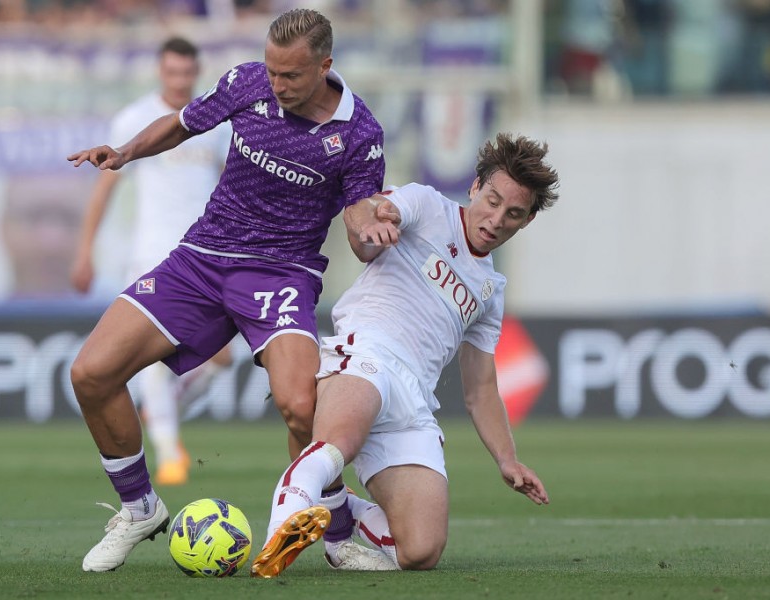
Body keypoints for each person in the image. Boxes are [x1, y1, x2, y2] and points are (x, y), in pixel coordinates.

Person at [66, 8, 386, 572]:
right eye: (272, 70)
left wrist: (371, 234)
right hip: (203, 257)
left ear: (325, 65)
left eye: (290, 76)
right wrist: (124, 154)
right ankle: (140, 506)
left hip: (283, 272)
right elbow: (182, 122)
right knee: (90, 373)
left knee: (299, 406)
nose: (277, 85)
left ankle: (336, 538)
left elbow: (361, 222)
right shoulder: (247, 82)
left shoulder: (360, 135)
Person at [250, 133, 557, 578]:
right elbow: (369, 223)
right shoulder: (427, 205)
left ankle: (340, 508)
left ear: (525, 221)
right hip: (367, 353)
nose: (495, 219)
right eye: (492, 201)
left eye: (513, 214)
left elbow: (481, 388)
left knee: (420, 552)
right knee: (338, 443)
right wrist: (378, 220)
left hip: (413, 402)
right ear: (475, 187)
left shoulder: (491, 291)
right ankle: (279, 535)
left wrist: (507, 459)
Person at [69, 36, 233, 487]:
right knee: (155, 357)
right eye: (172, 73)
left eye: (187, 73)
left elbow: (227, 183)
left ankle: (163, 414)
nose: (180, 81)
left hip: (203, 252)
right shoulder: (138, 118)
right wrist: (85, 252)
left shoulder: (215, 121)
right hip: (152, 254)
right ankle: (167, 452)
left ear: (195, 73)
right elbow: (104, 189)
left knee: (223, 359)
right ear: (161, 72)